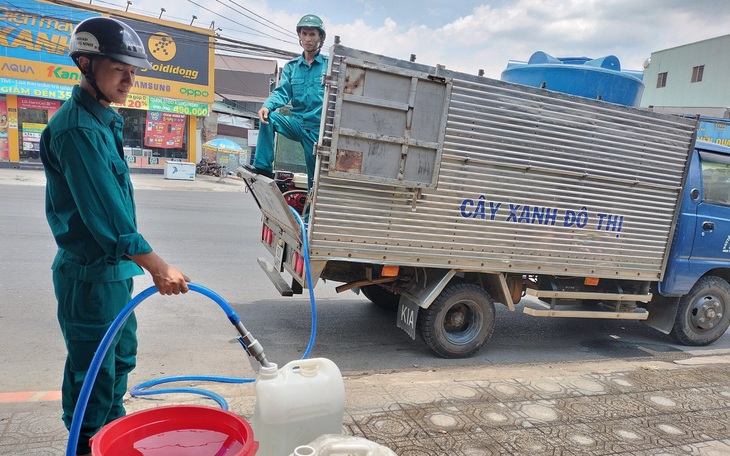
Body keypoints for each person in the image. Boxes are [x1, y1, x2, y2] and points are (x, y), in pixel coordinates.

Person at [39, 17, 190, 456]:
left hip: (113, 276)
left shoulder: (102, 119)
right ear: (85, 62)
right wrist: (159, 267)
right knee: (93, 378)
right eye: (119, 67)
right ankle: (86, 446)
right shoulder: (77, 130)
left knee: (119, 361)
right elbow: (108, 216)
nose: (129, 78)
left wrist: (141, 265)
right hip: (88, 280)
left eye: (133, 69)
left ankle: (113, 440)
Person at [244, 14, 328, 190]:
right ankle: (263, 166)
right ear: (299, 36)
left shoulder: (329, 66)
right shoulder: (292, 67)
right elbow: (282, 92)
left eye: (312, 34)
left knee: (315, 183)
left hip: (317, 132)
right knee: (269, 117)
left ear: (320, 37)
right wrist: (267, 105)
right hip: (296, 125)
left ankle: (308, 216)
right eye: (304, 33)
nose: (307, 38)